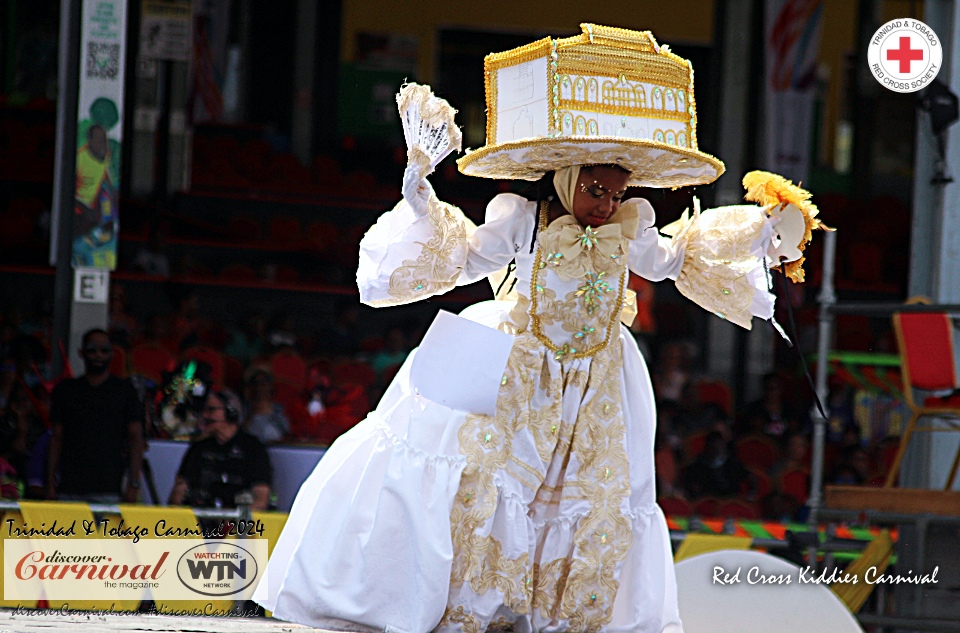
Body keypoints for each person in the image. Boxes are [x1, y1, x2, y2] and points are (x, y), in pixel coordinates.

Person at [255, 24, 827, 633]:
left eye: (616, 192)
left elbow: (676, 260)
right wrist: (420, 199)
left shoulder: (631, 229)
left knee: (586, 497)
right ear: (566, 179)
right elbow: (464, 257)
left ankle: (558, 615)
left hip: (595, 385)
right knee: (482, 479)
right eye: (596, 190)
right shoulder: (519, 219)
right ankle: (464, 605)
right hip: (513, 367)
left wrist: (759, 236)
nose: (606, 203)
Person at [46, 328, 144, 504]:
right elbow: (56, 437)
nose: (98, 355)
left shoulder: (124, 391)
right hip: (70, 488)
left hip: (110, 488)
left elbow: (136, 439)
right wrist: (51, 483)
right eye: (92, 350)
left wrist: (133, 484)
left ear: (112, 354)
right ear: (81, 353)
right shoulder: (66, 390)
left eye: (104, 350)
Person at [168, 389, 272, 510]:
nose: (205, 415)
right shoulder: (198, 448)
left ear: (231, 412)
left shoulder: (253, 448)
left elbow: (260, 499)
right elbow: (178, 495)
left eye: (211, 410)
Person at [243, 367, 290, 444]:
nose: (259, 388)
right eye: (255, 383)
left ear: (270, 387)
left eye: (263, 383)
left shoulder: (279, 410)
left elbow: (286, 434)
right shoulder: (243, 410)